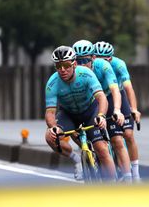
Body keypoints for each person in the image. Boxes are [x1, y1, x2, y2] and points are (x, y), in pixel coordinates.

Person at [45, 45, 116, 181]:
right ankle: (76, 159)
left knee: (101, 148)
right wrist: (53, 127)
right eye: (58, 66)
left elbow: (101, 98)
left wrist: (101, 116)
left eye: (66, 65)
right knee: (50, 137)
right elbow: (50, 112)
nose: (62, 70)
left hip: (90, 110)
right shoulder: (52, 83)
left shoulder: (86, 74)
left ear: (74, 64)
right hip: (69, 114)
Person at [72, 40, 132, 182]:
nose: (81, 65)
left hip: (109, 97)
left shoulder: (104, 66)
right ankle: (86, 154)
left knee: (117, 139)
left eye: (85, 60)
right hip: (90, 101)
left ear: (93, 58)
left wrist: (117, 110)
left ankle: (129, 179)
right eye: (78, 61)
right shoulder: (71, 72)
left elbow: (115, 90)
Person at [93, 41, 142, 181]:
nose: (103, 63)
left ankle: (136, 174)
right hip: (99, 96)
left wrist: (134, 109)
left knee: (128, 134)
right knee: (112, 138)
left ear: (111, 58)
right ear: (93, 58)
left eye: (106, 59)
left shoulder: (119, 64)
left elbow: (128, 88)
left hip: (116, 94)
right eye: (99, 59)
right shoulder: (91, 66)